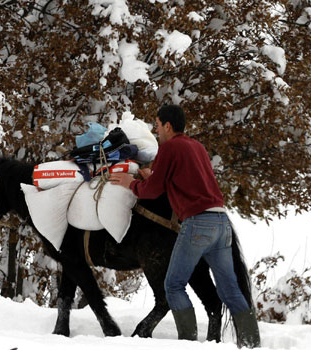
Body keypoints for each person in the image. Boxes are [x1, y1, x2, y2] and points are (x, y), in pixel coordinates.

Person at [109, 104, 260, 348]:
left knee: (173, 285)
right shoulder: (197, 147)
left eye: (157, 125)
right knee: (230, 290)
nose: (156, 131)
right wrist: (154, 177)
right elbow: (180, 182)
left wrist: (130, 183)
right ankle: (252, 344)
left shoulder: (169, 147)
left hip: (198, 224)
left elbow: (153, 190)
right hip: (221, 222)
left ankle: (187, 344)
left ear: (168, 126)